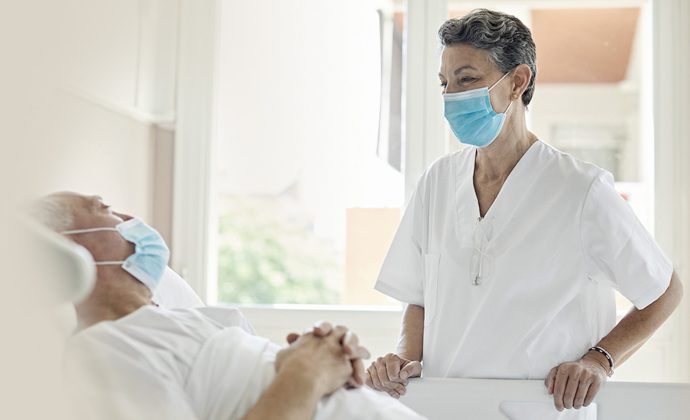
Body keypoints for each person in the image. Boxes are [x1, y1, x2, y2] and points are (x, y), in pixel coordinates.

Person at [366, 8, 683, 414]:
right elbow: (419, 297)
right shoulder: (436, 183)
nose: (451, 97)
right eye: (445, 83)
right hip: (446, 409)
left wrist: (599, 361)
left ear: (517, 81)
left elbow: (664, 290)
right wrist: (404, 362)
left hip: (541, 411)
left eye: (467, 79)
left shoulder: (580, 189)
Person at [34, 192, 424, 420]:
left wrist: (327, 354)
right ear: (69, 252)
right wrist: (308, 370)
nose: (128, 218)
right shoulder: (102, 352)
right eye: (103, 208)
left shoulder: (181, 324)